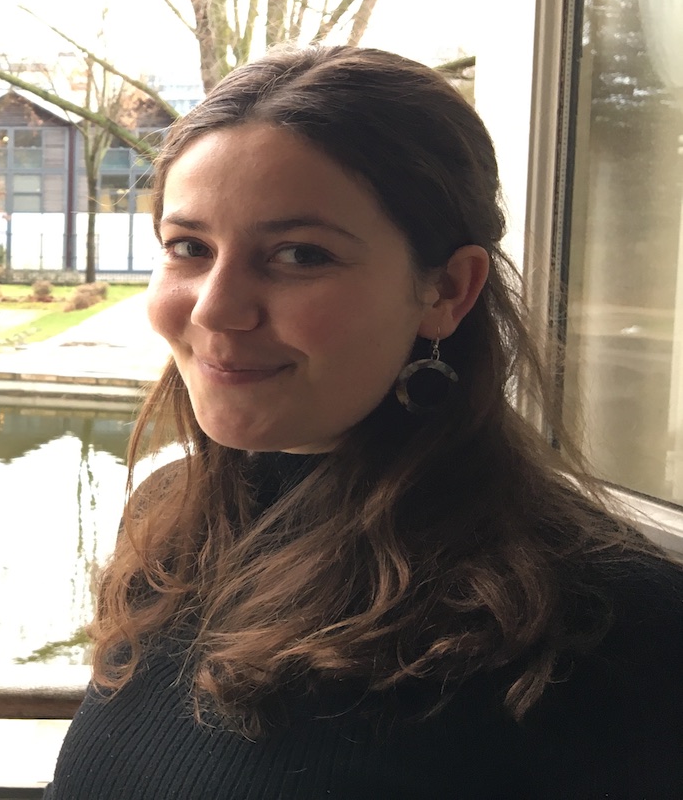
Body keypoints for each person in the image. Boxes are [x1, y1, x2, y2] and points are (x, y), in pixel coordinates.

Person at [44, 46, 683, 799]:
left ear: (447, 288)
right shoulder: (171, 525)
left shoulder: (607, 629)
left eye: (298, 254)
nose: (215, 308)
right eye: (189, 248)